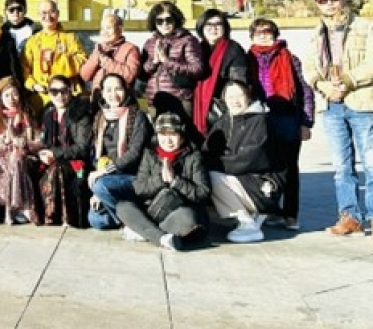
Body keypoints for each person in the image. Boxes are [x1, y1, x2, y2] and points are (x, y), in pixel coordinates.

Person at [302, 0, 373, 236]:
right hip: (331, 105)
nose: (330, 4)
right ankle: (350, 216)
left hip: (362, 101)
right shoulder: (315, 33)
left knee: (371, 162)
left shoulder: (365, 27)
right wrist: (322, 86)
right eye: (324, 0)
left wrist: (346, 81)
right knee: (342, 166)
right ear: (317, 4)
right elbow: (309, 68)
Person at [247, 17, 314, 230]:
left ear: (275, 34)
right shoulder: (248, 59)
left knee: (289, 168)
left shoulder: (289, 58)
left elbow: (305, 90)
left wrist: (306, 121)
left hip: (286, 118)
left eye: (268, 32)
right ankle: (270, 209)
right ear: (252, 36)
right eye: (259, 33)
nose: (264, 36)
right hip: (259, 119)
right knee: (264, 167)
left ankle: (290, 214)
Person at [204, 80, 286, 244]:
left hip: (263, 187)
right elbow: (207, 151)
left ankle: (246, 222)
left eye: (239, 95)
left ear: (248, 96)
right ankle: (248, 215)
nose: (235, 100)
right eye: (230, 96)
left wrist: (214, 164)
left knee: (211, 176)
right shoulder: (223, 121)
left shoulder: (261, 121)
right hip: (240, 182)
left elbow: (249, 158)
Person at [116, 112, 211, 251]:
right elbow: (139, 188)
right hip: (152, 210)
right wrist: (160, 180)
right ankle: (162, 238)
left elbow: (203, 193)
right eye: (163, 135)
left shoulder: (194, 156)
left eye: (173, 135)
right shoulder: (150, 153)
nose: (168, 140)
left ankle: (144, 231)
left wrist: (175, 182)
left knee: (188, 218)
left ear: (181, 135)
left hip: (177, 212)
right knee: (122, 207)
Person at [87, 73, 152, 231]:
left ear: (126, 90)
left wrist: (103, 175)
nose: (113, 94)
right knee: (95, 219)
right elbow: (96, 153)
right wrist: (98, 192)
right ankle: (132, 215)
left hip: (133, 177)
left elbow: (134, 154)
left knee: (101, 185)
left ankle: (133, 223)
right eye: (108, 90)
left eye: (118, 89)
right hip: (109, 178)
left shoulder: (137, 116)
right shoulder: (100, 117)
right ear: (102, 93)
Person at [32, 75, 92, 227]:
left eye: (63, 91)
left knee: (58, 169)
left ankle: (63, 217)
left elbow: (82, 147)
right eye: (54, 91)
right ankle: (36, 214)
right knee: (31, 165)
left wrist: (55, 153)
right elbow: (43, 142)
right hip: (52, 158)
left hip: (74, 161)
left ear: (70, 91)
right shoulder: (47, 113)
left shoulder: (80, 114)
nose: (59, 95)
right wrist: (42, 153)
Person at [0, 76, 39, 225]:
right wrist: (5, 142)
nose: (11, 98)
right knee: (14, 157)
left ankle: (15, 209)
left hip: (27, 160)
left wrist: (25, 144)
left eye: (14, 94)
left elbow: (39, 142)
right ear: (1, 98)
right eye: (7, 95)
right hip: (2, 162)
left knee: (18, 156)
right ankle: (23, 207)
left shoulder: (27, 116)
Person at [22, 0, 87, 115]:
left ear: (58, 14)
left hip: (66, 95)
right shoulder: (32, 42)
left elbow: (83, 61)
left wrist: (60, 59)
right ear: (38, 15)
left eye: (52, 12)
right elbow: (24, 68)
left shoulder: (69, 38)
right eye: (43, 13)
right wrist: (34, 85)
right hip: (42, 96)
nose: (48, 16)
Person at [140, 1, 205, 115]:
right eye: (160, 21)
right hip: (154, 100)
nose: (164, 24)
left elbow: (197, 69)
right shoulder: (150, 43)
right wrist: (154, 62)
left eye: (168, 20)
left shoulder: (187, 40)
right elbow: (143, 74)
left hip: (179, 100)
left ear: (176, 19)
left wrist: (167, 61)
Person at [193, 8, 249, 137]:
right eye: (209, 24)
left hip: (224, 109)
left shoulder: (233, 49)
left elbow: (239, 81)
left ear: (225, 27)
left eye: (218, 24)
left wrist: (227, 103)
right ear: (201, 27)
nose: (214, 28)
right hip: (199, 108)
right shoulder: (196, 49)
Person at [80, 13, 141, 106]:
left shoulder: (131, 49)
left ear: (120, 30)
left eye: (108, 28)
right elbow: (84, 75)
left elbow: (129, 76)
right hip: (98, 102)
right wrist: (96, 58)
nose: (104, 32)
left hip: (121, 103)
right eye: (102, 29)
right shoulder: (99, 49)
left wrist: (104, 60)